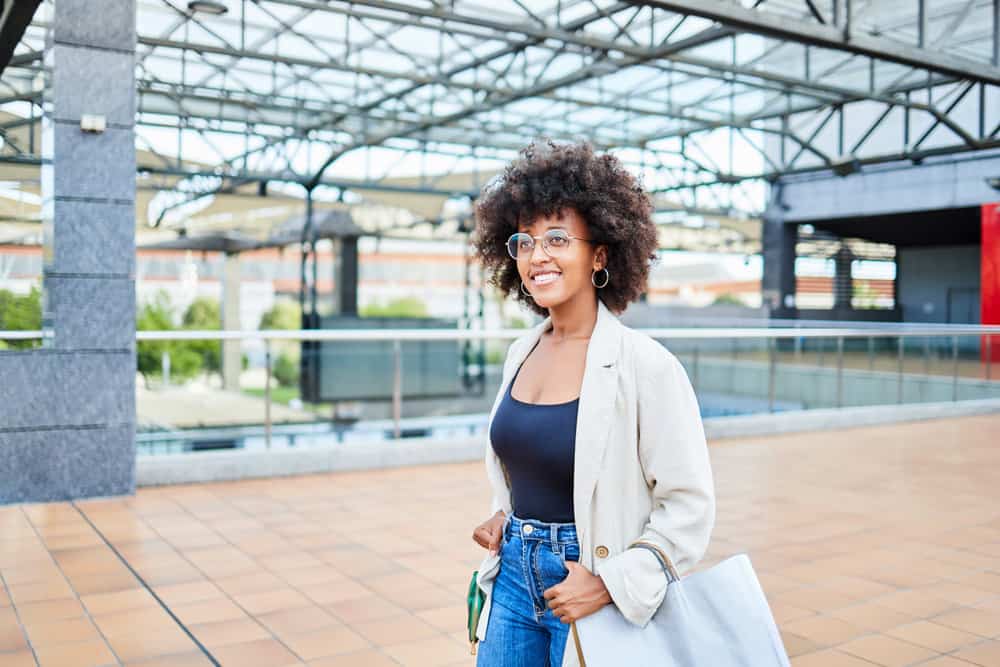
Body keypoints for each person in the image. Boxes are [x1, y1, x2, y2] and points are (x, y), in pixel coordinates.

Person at [469, 140, 716, 667]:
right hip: (512, 577)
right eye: (525, 242)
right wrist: (505, 514)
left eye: (557, 238)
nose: (538, 256)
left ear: (599, 254)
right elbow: (534, 464)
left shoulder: (646, 366)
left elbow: (689, 507)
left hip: (587, 581)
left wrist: (610, 585)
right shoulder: (521, 351)